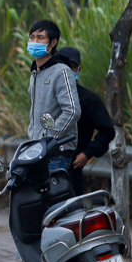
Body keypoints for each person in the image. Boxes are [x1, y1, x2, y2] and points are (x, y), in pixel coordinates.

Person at [57, 47, 115, 196]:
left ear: (79, 69)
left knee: (69, 215)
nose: (68, 70)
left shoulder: (89, 100)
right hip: (45, 168)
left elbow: (107, 130)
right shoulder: (47, 97)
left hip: (71, 170)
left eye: (72, 66)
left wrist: (87, 153)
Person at [27, 20, 80, 172]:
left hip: (57, 154)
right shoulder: (35, 73)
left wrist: (49, 137)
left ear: (53, 43)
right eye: (32, 37)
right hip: (38, 151)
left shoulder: (61, 71)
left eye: (40, 38)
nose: (34, 41)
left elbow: (72, 111)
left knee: (53, 196)